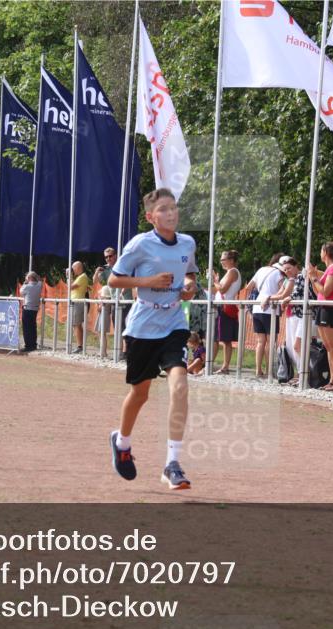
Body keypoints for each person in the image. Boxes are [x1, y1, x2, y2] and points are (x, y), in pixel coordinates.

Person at [107, 187, 198, 490]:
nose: (170, 213)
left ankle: (172, 463)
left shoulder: (187, 242)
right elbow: (114, 279)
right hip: (143, 325)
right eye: (163, 209)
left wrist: (188, 286)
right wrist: (147, 281)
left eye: (173, 207)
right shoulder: (140, 244)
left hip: (174, 321)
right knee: (140, 394)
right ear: (150, 217)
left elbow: (190, 275)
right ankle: (122, 443)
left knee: (180, 386)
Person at [308, 240, 333, 391]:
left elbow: (326, 291)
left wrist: (314, 278)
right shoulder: (329, 269)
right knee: (328, 347)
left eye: (321, 250)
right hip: (323, 307)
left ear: (326, 253)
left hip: (331, 309)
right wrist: (313, 277)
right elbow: (319, 292)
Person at [245, 253, 286, 379]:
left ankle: (258, 370)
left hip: (257, 307)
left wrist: (248, 304)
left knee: (260, 341)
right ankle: (269, 371)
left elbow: (248, 287)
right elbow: (282, 291)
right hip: (270, 309)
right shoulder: (279, 274)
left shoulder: (261, 270)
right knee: (270, 341)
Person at [210, 249, 241, 373]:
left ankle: (225, 366)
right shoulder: (229, 272)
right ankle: (219, 364)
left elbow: (222, 290)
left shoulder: (233, 272)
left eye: (224, 259)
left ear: (231, 261)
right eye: (221, 260)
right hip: (222, 307)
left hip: (225, 307)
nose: (221, 262)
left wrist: (215, 281)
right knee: (221, 338)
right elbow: (217, 290)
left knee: (225, 339)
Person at [93, 247, 127, 358]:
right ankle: (120, 352)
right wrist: (97, 271)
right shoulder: (106, 269)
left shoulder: (122, 265)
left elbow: (128, 279)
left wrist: (123, 291)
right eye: (106, 257)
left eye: (110, 256)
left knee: (124, 327)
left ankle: (124, 352)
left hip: (125, 301)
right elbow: (95, 281)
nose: (108, 259)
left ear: (116, 255)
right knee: (117, 326)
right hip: (113, 301)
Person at [68, 261, 90, 354]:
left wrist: (69, 276)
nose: (72, 271)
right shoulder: (80, 277)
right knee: (76, 325)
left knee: (77, 325)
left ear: (78, 268)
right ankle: (79, 345)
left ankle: (80, 346)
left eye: (73, 269)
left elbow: (70, 287)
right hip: (76, 302)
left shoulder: (82, 277)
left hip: (78, 302)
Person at [18, 271, 42, 353]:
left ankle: (28, 346)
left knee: (26, 328)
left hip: (27, 308)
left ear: (29, 278)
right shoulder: (39, 285)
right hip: (35, 309)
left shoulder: (27, 286)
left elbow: (21, 292)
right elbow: (39, 280)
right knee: (33, 327)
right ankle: (33, 344)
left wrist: (25, 283)